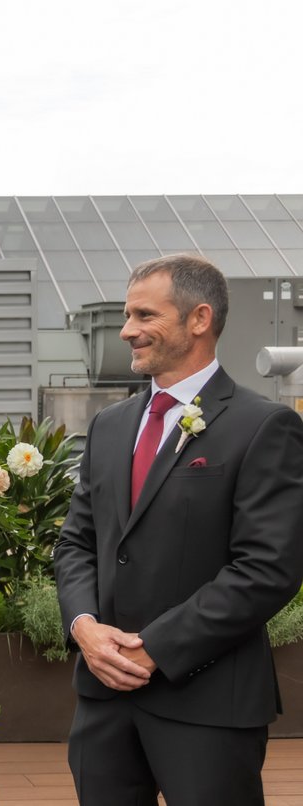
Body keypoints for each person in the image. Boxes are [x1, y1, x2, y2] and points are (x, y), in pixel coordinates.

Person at [55, 254, 303, 806]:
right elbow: (76, 542)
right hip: (103, 701)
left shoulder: (263, 426)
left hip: (209, 706)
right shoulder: (110, 425)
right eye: (127, 315)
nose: (126, 331)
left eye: (145, 315)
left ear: (199, 319)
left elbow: (268, 569)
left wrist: (156, 649)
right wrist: (85, 626)